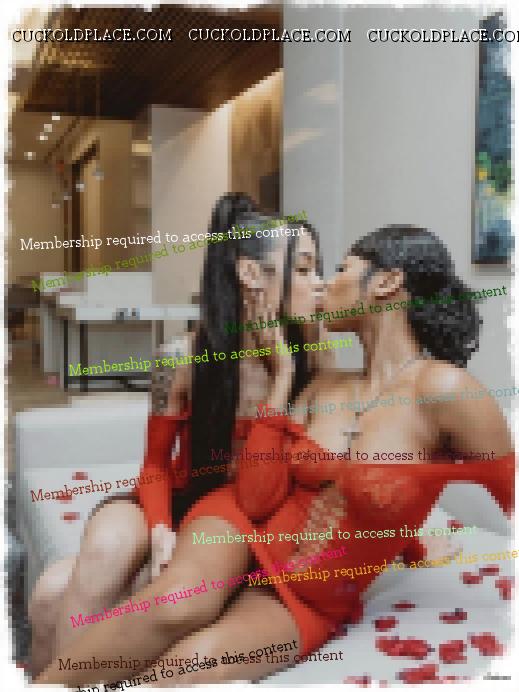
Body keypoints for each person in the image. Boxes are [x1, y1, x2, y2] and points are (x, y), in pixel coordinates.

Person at [35, 225, 513, 687]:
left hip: (309, 597)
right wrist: (282, 381)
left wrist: (412, 538)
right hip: (236, 524)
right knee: (176, 604)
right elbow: (256, 499)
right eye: (308, 269)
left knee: (186, 669)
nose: (325, 283)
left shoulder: (446, 390)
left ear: (386, 282)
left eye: (340, 269)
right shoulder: (325, 384)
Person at [30, 193, 325, 678]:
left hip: (238, 517)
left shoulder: (311, 357)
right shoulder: (181, 357)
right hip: (177, 497)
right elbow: (154, 465)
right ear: (250, 274)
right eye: (305, 268)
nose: (319, 283)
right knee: (99, 553)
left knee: (50, 593)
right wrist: (161, 529)